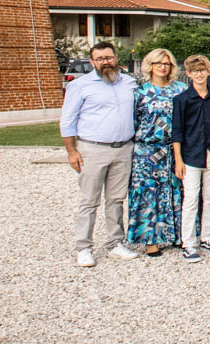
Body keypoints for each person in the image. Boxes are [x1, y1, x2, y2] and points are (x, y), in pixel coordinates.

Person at [60, 40, 139, 267]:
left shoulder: (129, 83)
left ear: (116, 59)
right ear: (92, 61)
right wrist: (71, 151)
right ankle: (83, 247)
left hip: (124, 148)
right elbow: (67, 121)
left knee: (116, 200)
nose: (106, 62)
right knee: (89, 200)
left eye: (109, 57)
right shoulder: (80, 86)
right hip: (92, 149)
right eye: (100, 59)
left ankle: (115, 243)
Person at [126, 49, 184, 256]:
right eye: (158, 63)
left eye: (167, 64)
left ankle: (177, 234)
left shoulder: (180, 89)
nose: (162, 67)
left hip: (174, 148)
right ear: (149, 65)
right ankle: (150, 240)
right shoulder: (140, 93)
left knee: (174, 190)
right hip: (147, 150)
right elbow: (132, 122)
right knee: (149, 193)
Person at [170, 54, 210, 260]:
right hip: (190, 155)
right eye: (195, 72)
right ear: (189, 74)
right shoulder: (182, 100)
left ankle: (207, 236)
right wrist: (178, 159)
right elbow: (177, 131)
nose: (200, 74)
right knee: (191, 198)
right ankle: (188, 242)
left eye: (203, 71)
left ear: (209, 72)